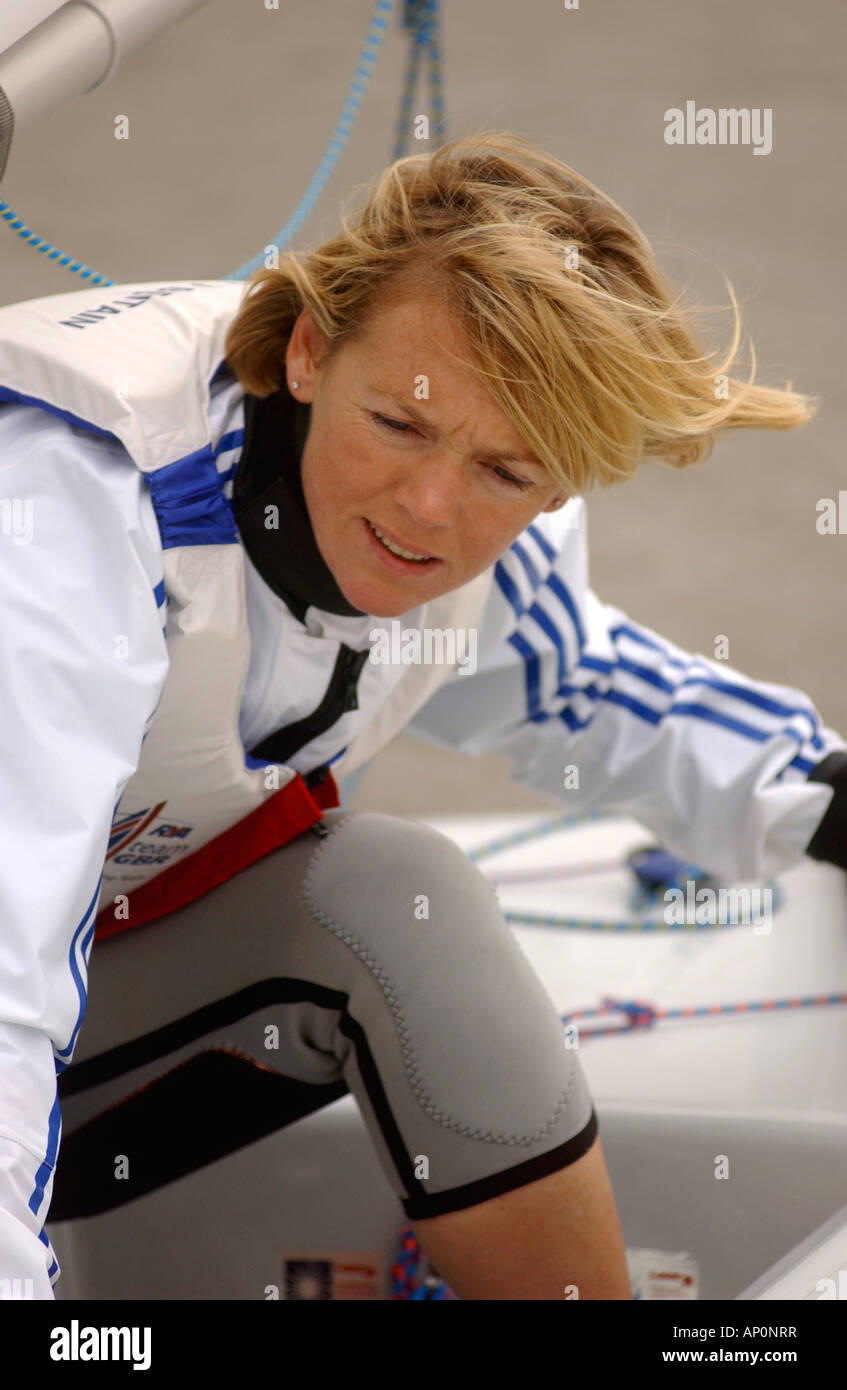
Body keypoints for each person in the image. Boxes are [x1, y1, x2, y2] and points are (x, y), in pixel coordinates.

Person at [1, 132, 844, 1303]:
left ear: (557, 482)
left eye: (507, 472)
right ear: (304, 349)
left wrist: (826, 801)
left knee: (397, 904)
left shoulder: (495, 511)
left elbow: (583, 689)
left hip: (92, 984)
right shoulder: (65, 517)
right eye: (398, 425)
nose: (430, 507)